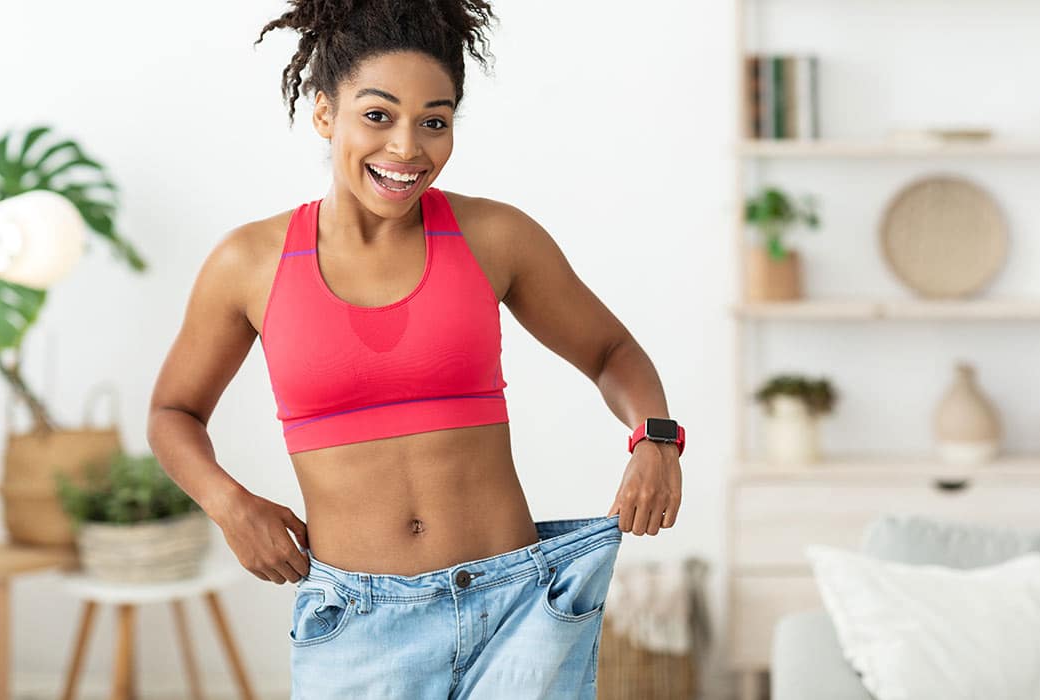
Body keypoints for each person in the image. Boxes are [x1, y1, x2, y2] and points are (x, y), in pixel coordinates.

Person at [146, 0, 685, 697]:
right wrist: (229, 504)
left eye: (435, 121)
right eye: (378, 115)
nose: (407, 147)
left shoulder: (496, 237)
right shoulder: (249, 262)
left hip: (517, 607)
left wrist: (656, 438)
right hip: (360, 626)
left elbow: (611, 349)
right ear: (323, 114)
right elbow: (173, 411)